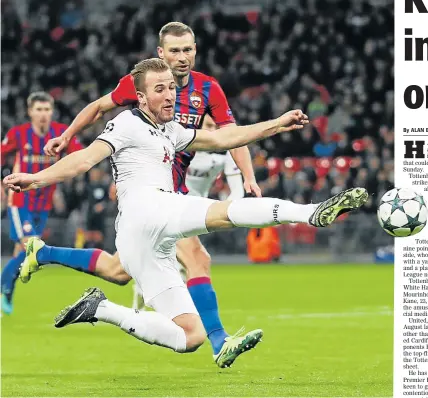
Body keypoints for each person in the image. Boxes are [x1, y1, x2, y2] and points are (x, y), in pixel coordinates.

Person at [4, 59, 368, 365]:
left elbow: (225, 138)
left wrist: (277, 124)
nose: (169, 95)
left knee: (189, 337)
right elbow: (84, 160)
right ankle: (311, 212)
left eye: (171, 88)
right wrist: (36, 179)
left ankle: (100, 310)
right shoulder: (128, 123)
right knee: (224, 213)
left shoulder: (172, 130)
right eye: (159, 89)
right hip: (145, 212)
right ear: (142, 96)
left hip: (148, 242)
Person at [34, 21, 262, 366]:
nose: (182, 57)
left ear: (196, 50)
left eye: (188, 50)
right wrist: (66, 136)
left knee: (118, 270)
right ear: (161, 53)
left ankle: (44, 252)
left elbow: (229, 135)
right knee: (198, 259)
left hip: (173, 188)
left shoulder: (208, 89)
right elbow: (98, 107)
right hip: (146, 194)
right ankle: (219, 342)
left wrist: (247, 174)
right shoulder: (141, 84)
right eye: (175, 51)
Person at [132, 115, 244, 309]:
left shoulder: (225, 152)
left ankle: (141, 300)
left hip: (196, 214)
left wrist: (225, 213)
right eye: (208, 125)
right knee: (195, 261)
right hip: (169, 209)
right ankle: (195, 323)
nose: (213, 130)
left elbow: (237, 192)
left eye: (216, 126)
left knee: (173, 265)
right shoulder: (178, 143)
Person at [0, 92, 83, 315]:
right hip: (20, 200)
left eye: (47, 109)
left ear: (52, 111)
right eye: (38, 110)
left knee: (23, 252)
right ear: (30, 112)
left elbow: (80, 155)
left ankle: (7, 288)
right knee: (31, 244)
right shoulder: (18, 134)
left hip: (43, 203)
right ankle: (4, 285)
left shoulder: (59, 134)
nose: (43, 114)